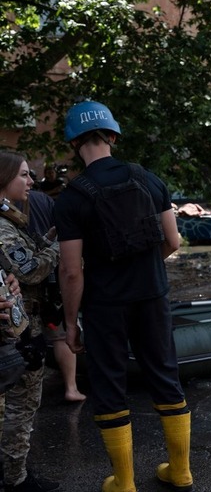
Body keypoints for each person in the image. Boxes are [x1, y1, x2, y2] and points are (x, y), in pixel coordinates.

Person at [54, 101, 192, 492]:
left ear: (75, 143)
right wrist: (146, 267)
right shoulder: (149, 179)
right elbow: (172, 241)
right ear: (112, 136)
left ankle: (125, 482)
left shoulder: (72, 199)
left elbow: (70, 269)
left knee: (110, 386)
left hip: (105, 305)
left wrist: (70, 322)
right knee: (166, 377)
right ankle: (180, 471)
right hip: (152, 295)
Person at [0, 152, 61, 492]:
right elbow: (31, 269)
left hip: (23, 325)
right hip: (16, 332)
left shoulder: (11, 220)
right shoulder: (2, 227)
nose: (31, 181)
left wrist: (48, 240)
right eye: (23, 175)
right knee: (20, 408)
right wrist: (60, 247)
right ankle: (15, 479)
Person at [17, 190, 85, 402]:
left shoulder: (11, 206)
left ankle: (26, 393)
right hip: (48, 279)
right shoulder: (43, 199)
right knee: (59, 334)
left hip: (24, 284)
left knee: (24, 337)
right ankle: (70, 387)